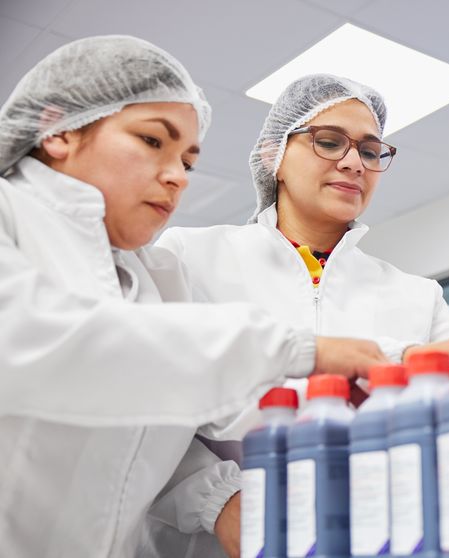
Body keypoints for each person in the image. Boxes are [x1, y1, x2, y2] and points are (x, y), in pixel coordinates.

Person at [0, 36, 386, 558]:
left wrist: (370, 392)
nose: (177, 175)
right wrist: (300, 350)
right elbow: (43, 341)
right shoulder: (9, 219)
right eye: (154, 141)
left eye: (189, 159)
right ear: (60, 131)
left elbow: (190, 415)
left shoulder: (154, 280)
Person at [157, 74, 449, 402]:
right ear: (273, 157)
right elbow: (158, 386)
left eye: (369, 152)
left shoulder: (420, 298)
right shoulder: (190, 256)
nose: (354, 164)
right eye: (328, 142)